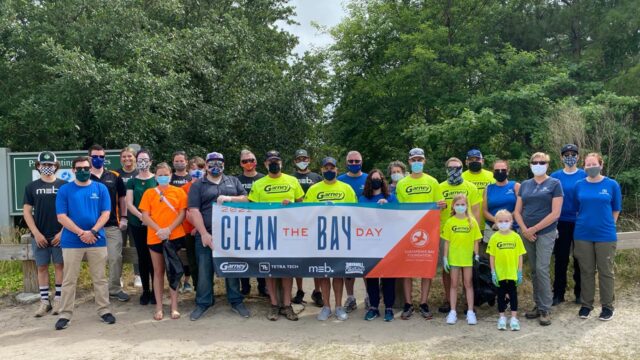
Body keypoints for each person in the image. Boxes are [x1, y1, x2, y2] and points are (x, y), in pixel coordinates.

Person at [54, 156, 115, 330]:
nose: (83, 171)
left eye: (86, 168)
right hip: (72, 241)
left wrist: (93, 232)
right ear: (73, 170)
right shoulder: (65, 190)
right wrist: (81, 233)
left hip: (97, 240)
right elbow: (61, 217)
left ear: (90, 169)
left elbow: (106, 213)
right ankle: (65, 314)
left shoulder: (100, 188)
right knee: (69, 280)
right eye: (79, 168)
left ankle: (104, 310)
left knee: (100, 278)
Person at [189, 152, 250, 321]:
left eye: (219, 163)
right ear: (206, 165)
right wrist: (203, 233)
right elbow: (194, 210)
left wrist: (231, 197)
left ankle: (236, 300)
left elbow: (246, 199)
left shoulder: (233, 181)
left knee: (231, 268)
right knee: (204, 270)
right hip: (206, 234)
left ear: (224, 164)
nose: (216, 166)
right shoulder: (198, 185)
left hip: (230, 235)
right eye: (212, 163)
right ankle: (203, 302)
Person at [248, 150, 304, 321]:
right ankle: (273, 305)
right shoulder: (258, 184)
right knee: (269, 270)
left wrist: (292, 204)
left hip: (289, 233)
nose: (274, 163)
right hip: (267, 233)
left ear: (281, 163)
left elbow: (302, 206)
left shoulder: (293, 180)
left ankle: (287, 305)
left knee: (287, 270)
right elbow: (252, 208)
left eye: (276, 160)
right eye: (270, 161)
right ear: (265, 164)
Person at [304, 157, 357, 321]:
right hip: (320, 237)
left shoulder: (346, 188)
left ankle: (339, 307)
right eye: (326, 168)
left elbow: (355, 211)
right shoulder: (313, 189)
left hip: (340, 236)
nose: (329, 171)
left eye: (332, 168)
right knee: (324, 273)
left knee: (338, 274)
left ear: (337, 170)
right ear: (321, 170)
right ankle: (326, 307)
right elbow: (306, 211)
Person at [395, 148, 445, 320]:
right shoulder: (402, 183)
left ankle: (424, 303)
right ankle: (408, 304)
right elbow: (399, 208)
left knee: (426, 268)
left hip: (428, 231)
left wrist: (441, 204)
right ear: (409, 161)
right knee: (407, 269)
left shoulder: (433, 182)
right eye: (413, 159)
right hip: (407, 231)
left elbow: (439, 205)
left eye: (420, 159)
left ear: (424, 161)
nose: (417, 162)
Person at [514, 152, 563, 326]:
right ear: (530, 164)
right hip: (527, 232)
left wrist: (534, 229)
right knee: (534, 269)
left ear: (548, 164)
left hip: (546, 232)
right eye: (535, 162)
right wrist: (524, 229)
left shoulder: (555, 184)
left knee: (542, 268)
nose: (538, 164)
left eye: (542, 162)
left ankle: (545, 308)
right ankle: (538, 303)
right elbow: (516, 211)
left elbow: (555, 213)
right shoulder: (525, 185)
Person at [573, 153, 622, 321]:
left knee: (605, 271)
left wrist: (608, 224)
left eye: (594, 164)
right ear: (584, 167)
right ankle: (586, 305)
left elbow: (616, 208)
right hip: (582, 234)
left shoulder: (611, 184)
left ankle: (607, 306)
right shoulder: (579, 185)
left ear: (601, 165)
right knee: (586, 271)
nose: (590, 167)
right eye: (587, 164)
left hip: (605, 235)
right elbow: (577, 208)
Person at [139, 162, 188, 320]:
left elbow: (182, 214)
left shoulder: (179, 192)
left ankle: (174, 306)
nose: (163, 177)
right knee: (158, 272)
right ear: (155, 176)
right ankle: (159, 307)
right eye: (160, 174)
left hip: (174, 236)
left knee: (173, 271)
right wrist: (159, 230)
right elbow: (145, 215)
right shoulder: (149, 193)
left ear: (171, 175)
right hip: (155, 236)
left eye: (166, 174)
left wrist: (169, 229)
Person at [23, 151, 66, 317]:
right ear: (38, 166)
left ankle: (58, 300)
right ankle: (44, 302)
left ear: (56, 166)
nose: (47, 167)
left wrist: (63, 232)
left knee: (59, 266)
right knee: (41, 267)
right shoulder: (31, 187)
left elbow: (69, 211)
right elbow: (27, 212)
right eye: (44, 164)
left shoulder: (64, 185)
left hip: (59, 234)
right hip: (39, 235)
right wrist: (35, 233)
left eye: (50, 164)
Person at [438, 157, 481, 315]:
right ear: (446, 169)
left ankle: (467, 302)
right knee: (448, 268)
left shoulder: (470, 187)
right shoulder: (440, 187)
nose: (454, 170)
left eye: (457, 168)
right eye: (451, 168)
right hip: (446, 233)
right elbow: (433, 208)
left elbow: (476, 210)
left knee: (468, 270)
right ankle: (449, 300)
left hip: (468, 233)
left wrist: (475, 232)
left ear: (462, 168)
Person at [88, 145, 129, 302]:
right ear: (89, 157)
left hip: (112, 225)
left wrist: (124, 217)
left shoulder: (114, 176)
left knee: (115, 257)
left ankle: (114, 288)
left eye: (101, 156)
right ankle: (99, 291)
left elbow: (122, 198)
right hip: (90, 227)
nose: (98, 159)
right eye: (95, 156)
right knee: (96, 260)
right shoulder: (84, 176)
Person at [359, 169, 397, 321]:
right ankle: (373, 307)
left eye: (379, 178)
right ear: (369, 181)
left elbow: (400, 216)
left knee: (388, 277)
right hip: (369, 243)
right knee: (372, 277)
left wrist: (387, 206)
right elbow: (358, 219)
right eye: (373, 179)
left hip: (388, 242)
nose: (376, 181)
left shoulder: (391, 197)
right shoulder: (362, 199)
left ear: (383, 180)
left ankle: (389, 308)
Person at [550, 144, 586, 305]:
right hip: (561, 222)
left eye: (573, 154)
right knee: (561, 259)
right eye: (566, 154)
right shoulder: (555, 176)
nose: (570, 156)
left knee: (580, 259)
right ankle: (558, 293)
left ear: (578, 157)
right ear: (561, 157)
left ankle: (580, 293)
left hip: (580, 222)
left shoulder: (585, 175)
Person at [442, 194, 482, 325]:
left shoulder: (472, 221)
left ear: (467, 206)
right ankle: (453, 311)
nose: (460, 207)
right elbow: (446, 242)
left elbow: (476, 240)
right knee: (453, 284)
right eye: (457, 204)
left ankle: (470, 312)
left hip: (467, 258)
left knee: (468, 283)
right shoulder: (450, 222)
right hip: (454, 258)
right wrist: (445, 258)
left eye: (463, 204)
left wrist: (476, 255)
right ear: (453, 206)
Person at [291, 149, 324, 307]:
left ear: (309, 159)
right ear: (294, 161)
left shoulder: (317, 177)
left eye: (304, 158)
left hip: (315, 222)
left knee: (316, 257)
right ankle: (300, 290)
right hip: (297, 223)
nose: (302, 160)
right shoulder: (291, 179)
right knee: (298, 258)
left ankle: (317, 292)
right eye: (299, 158)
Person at [337, 151, 368, 312]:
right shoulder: (340, 180)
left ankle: (369, 296)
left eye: (357, 161)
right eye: (351, 161)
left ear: (362, 162)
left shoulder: (369, 178)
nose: (354, 163)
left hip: (365, 229)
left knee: (367, 263)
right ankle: (350, 297)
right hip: (345, 230)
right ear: (346, 162)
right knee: (348, 266)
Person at [126, 149, 157, 305]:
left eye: (145, 159)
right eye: (140, 159)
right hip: (137, 224)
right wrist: (141, 216)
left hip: (154, 225)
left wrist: (151, 219)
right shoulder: (132, 181)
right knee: (142, 258)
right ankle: (146, 291)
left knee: (155, 259)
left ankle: (156, 291)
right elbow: (129, 204)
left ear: (151, 162)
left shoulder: (157, 179)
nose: (142, 162)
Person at [236, 150, 268, 297]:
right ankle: (245, 287)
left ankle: (263, 287)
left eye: (251, 160)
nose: (248, 163)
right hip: (241, 223)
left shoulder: (265, 178)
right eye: (245, 161)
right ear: (241, 164)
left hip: (262, 222)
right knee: (243, 255)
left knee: (261, 255)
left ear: (256, 161)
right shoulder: (235, 180)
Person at [487, 210, 526, 331]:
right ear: (496, 222)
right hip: (500, 273)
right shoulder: (494, 238)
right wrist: (493, 272)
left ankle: (514, 318)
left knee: (513, 295)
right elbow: (491, 256)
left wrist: (519, 271)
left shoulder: (516, 237)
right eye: (500, 221)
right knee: (500, 295)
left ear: (511, 222)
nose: (503, 223)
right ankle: (502, 317)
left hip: (512, 273)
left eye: (506, 221)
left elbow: (520, 255)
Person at [115, 146, 141, 288]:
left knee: (136, 246)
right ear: (121, 159)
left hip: (137, 216)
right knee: (118, 247)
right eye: (124, 156)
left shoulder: (140, 174)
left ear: (135, 158)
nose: (127, 159)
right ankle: (118, 277)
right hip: (119, 218)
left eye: (129, 156)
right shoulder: (116, 174)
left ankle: (138, 276)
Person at [179, 156, 206, 293]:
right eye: (194, 169)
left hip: (206, 229)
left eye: (200, 169)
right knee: (193, 261)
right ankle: (197, 288)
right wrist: (196, 226)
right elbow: (186, 211)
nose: (197, 171)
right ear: (189, 170)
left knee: (205, 261)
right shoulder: (184, 189)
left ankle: (207, 287)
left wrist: (200, 227)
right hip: (190, 230)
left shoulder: (208, 186)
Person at [483, 160, 521, 256]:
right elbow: (484, 211)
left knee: (511, 257)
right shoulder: (488, 188)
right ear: (493, 172)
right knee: (492, 258)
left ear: (508, 171)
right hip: (492, 227)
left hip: (513, 227)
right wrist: (497, 222)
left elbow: (520, 207)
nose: (500, 172)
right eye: (497, 170)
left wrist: (506, 222)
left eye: (503, 170)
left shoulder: (516, 186)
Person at [169, 151, 194, 293]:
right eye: (176, 161)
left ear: (186, 162)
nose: (179, 163)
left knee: (189, 252)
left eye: (181, 161)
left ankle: (187, 282)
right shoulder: (169, 177)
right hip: (172, 221)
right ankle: (176, 281)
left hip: (189, 221)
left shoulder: (192, 177)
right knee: (175, 253)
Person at [462, 149, 496, 234]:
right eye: (471, 160)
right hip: (468, 224)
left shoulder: (492, 176)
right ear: (466, 162)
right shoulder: (461, 177)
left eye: (477, 159)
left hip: (490, 223)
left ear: (482, 161)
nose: (474, 161)